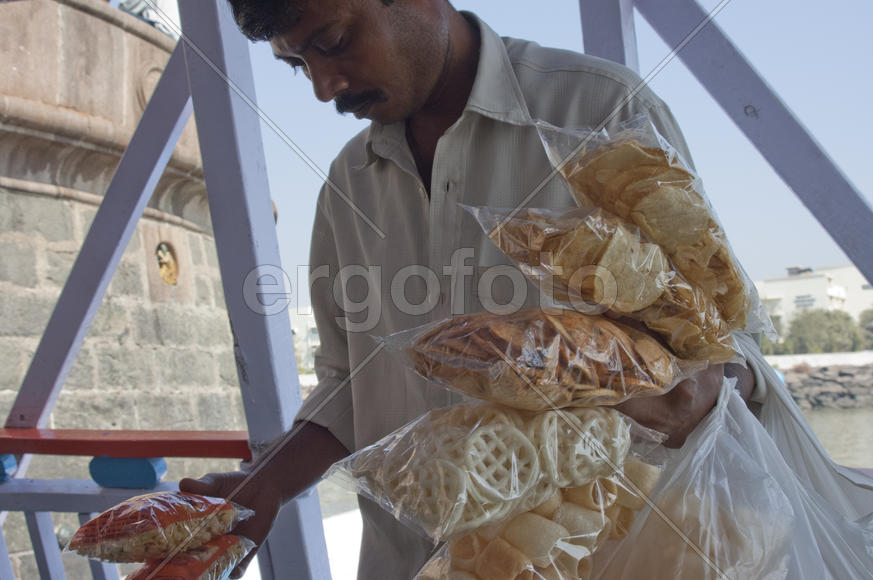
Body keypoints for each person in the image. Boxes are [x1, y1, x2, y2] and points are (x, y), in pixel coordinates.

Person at [180, 1, 759, 578]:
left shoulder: (602, 108)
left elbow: (725, 336)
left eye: (332, 43)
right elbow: (349, 383)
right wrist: (267, 483)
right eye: (297, 64)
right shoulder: (348, 182)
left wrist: (700, 390)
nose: (324, 88)